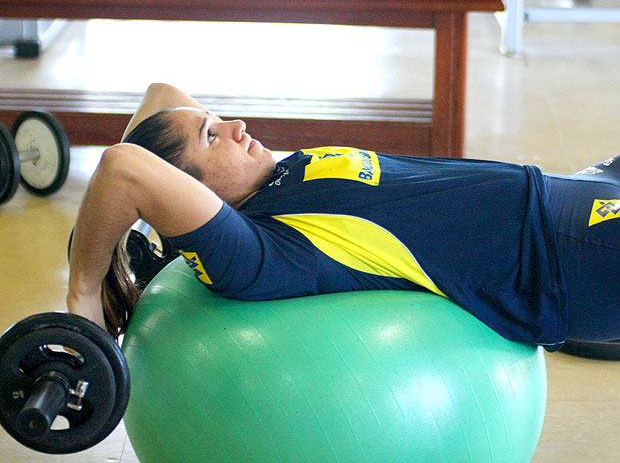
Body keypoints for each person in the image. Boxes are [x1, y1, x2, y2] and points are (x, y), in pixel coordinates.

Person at [67, 83, 620, 352]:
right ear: (192, 195)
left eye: (213, 118)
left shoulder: (262, 180)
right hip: (566, 255)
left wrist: (115, 232)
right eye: (212, 136)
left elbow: (159, 94)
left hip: (570, 188)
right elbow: (124, 167)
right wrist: (86, 292)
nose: (235, 124)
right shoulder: (261, 250)